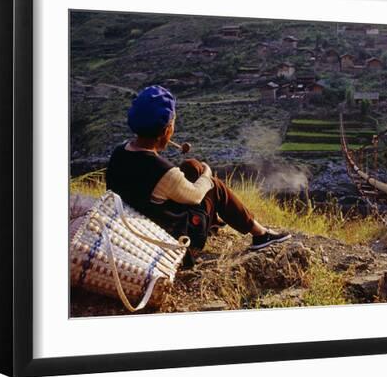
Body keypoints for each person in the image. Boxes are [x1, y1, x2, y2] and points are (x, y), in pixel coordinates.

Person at [105, 85, 291, 262]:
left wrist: (197, 170)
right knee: (214, 186)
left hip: (142, 225)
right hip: (173, 237)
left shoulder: (119, 151)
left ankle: (214, 220)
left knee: (190, 166)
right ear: (166, 130)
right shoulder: (162, 171)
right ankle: (261, 234)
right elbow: (195, 196)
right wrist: (207, 173)